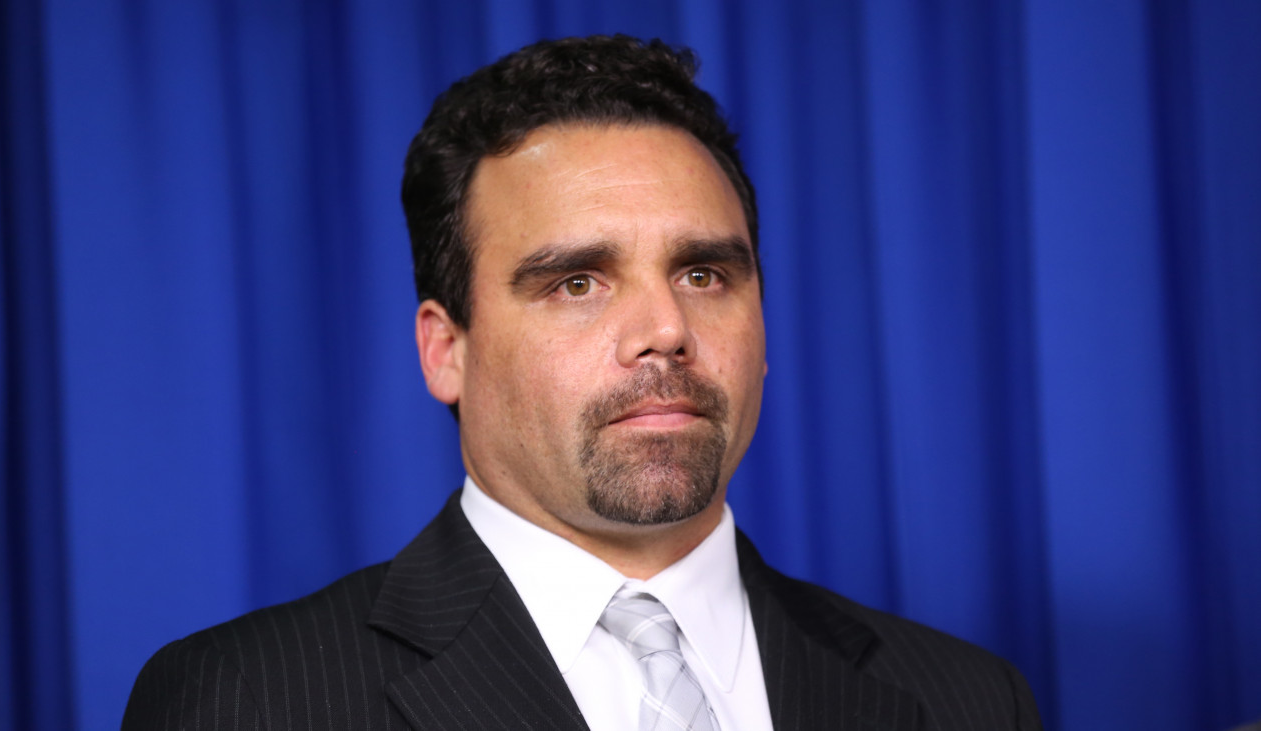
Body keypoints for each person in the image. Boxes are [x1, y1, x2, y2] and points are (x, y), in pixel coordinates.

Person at [124, 35, 1042, 730]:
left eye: (704, 274)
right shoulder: (246, 700)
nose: (665, 330)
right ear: (446, 349)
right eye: (576, 282)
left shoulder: (966, 700)